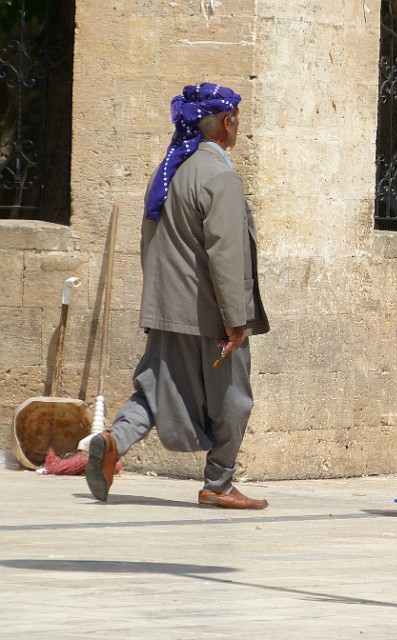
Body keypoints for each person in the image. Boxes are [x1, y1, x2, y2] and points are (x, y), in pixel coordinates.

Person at [86, 82, 270, 509]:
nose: (238, 125)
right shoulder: (220, 175)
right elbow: (226, 254)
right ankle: (218, 484)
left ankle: (114, 440)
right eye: (237, 118)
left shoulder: (171, 170)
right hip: (208, 314)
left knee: (155, 389)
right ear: (226, 124)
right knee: (232, 398)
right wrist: (234, 320)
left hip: (168, 308)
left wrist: (158, 301)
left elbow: (150, 239)